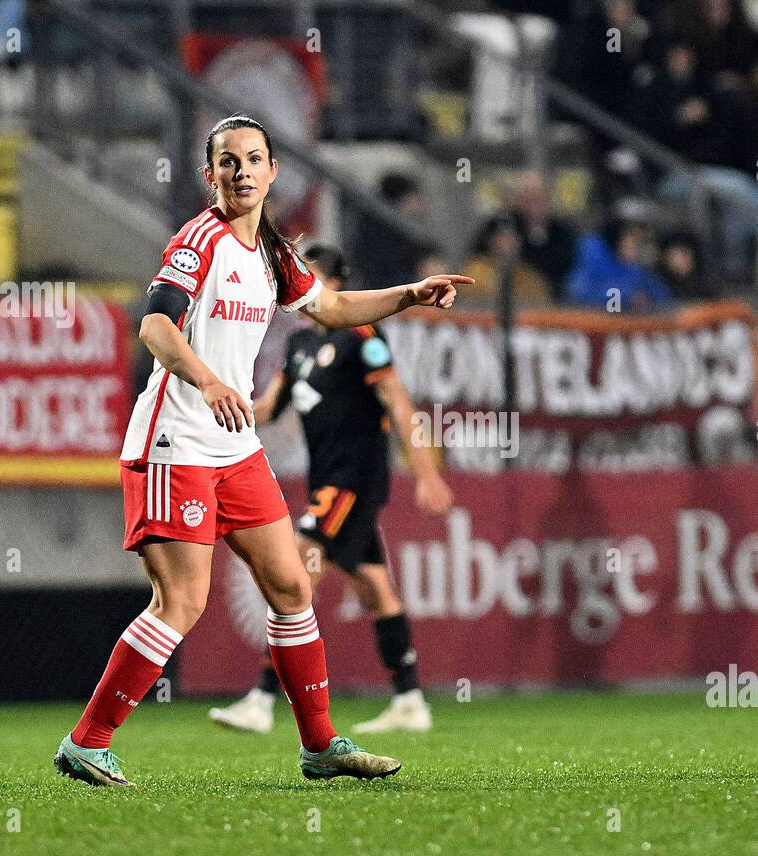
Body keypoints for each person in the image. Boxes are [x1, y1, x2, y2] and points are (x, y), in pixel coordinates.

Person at [53, 115, 472, 786]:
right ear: (210, 174)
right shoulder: (199, 240)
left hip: (233, 448)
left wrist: (409, 296)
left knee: (291, 585)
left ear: (274, 171)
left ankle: (319, 743)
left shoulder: (272, 252)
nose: (242, 170)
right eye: (228, 161)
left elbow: (331, 308)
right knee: (181, 602)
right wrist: (210, 378)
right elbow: (156, 325)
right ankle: (88, 741)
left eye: (254, 159)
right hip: (174, 441)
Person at [209, 244, 453, 736]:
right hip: (327, 480)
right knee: (374, 588)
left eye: (307, 277)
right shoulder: (298, 346)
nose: (296, 288)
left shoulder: (363, 336)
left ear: (335, 285)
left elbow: (400, 407)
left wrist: (426, 473)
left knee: (296, 570)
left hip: (354, 481)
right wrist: (212, 403)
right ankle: (409, 699)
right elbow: (267, 409)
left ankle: (261, 698)